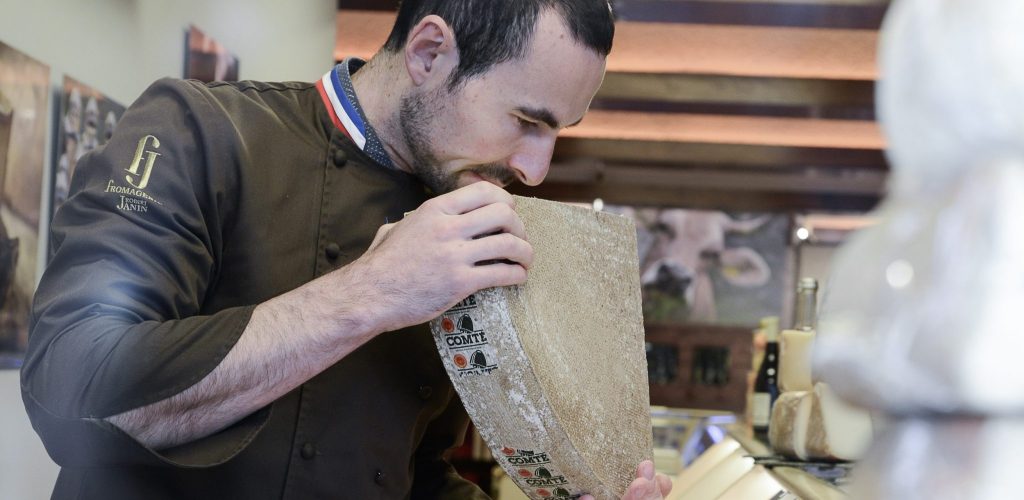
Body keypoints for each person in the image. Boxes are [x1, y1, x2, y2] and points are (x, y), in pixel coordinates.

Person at [22, 1, 672, 498]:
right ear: (427, 52)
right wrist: (373, 291)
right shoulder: (200, 131)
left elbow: (416, 473)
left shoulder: (457, 214)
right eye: (527, 122)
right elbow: (71, 392)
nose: (535, 168)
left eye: (558, 132)